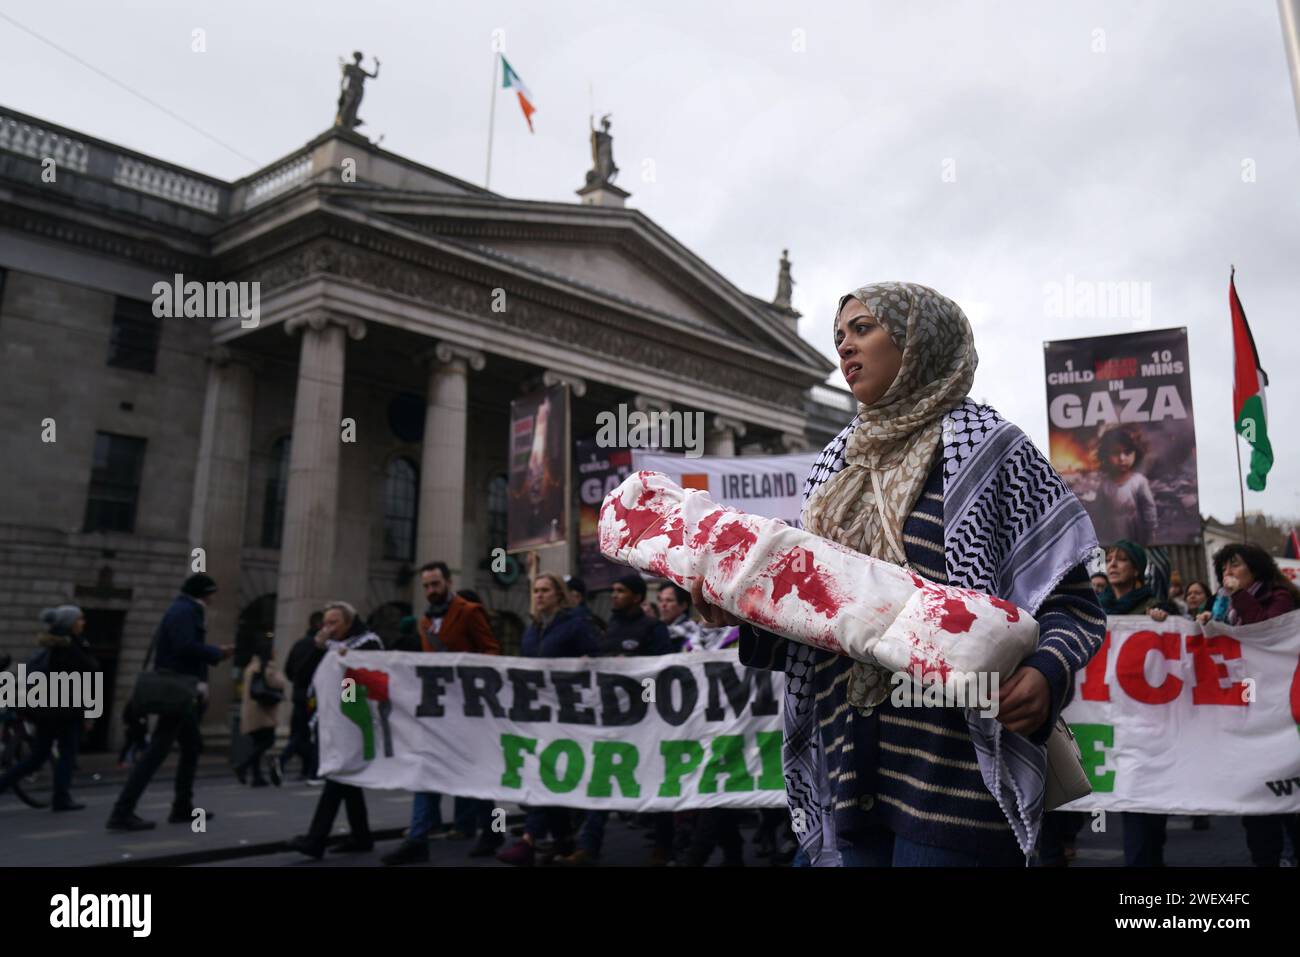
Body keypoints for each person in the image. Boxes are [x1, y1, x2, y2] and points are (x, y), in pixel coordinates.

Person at [702, 282, 1105, 867]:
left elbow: (1072, 606)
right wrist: (743, 613)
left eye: (863, 329)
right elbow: (819, 619)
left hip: (955, 780)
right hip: (849, 773)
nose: (845, 347)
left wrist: (1046, 673)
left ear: (920, 341)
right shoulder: (831, 468)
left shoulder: (991, 450)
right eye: (839, 336)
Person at [383, 561, 502, 866]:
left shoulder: (469, 611)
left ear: (448, 582)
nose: (430, 591)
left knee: (472, 774)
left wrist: (465, 669)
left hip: (467, 708)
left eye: (435, 584)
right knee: (425, 772)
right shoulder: (425, 621)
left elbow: (492, 652)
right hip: (436, 711)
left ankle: (491, 830)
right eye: (426, 586)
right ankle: (417, 839)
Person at [559, 574, 674, 866]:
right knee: (600, 779)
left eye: (620, 591)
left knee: (655, 782)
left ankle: (663, 847)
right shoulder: (609, 628)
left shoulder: (654, 629)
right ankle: (588, 846)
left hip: (646, 722)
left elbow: (667, 669)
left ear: (636, 596)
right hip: (611, 718)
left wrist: (633, 666)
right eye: (613, 590)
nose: (614, 595)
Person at [107, 575, 234, 831]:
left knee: (191, 746)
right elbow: (184, 646)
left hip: (182, 691)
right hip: (176, 692)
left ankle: (182, 807)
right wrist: (217, 653)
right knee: (157, 752)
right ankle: (122, 811)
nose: (213, 598)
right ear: (203, 593)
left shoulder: (185, 610)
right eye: (212, 592)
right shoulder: (185, 611)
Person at [1204, 544, 1300, 866]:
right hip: (1247, 699)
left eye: (1235, 565)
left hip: (1277, 705)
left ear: (1255, 569)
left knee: (1285, 792)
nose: (1227, 573)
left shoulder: (1279, 598)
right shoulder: (1222, 605)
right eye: (1223, 568)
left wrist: (1238, 597)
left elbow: (1264, 633)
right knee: (1256, 799)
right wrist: (1205, 623)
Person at [497, 574, 601, 866]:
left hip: (570, 714)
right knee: (546, 775)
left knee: (548, 775)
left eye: (545, 590)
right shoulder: (532, 630)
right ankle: (563, 840)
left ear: (559, 595)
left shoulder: (575, 625)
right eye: (536, 590)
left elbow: (599, 658)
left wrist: (581, 666)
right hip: (540, 715)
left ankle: (530, 840)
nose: (539, 595)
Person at [287, 601, 385, 859]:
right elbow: (301, 676)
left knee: (339, 775)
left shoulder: (367, 643)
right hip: (334, 721)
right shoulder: (326, 647)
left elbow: (370, 677)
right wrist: (318, 649)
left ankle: (315, 839)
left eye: (334, 623)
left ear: (349, 623)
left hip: (356, 721)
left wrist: (346, 662)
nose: (328, 629)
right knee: (346, 779)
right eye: (325, 623)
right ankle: (361, 836)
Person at [0, 605, 98, 811]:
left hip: (46, 711)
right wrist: (89, 713)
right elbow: (87, 678)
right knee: (67, 755)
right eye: (79, 619)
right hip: (65, 711)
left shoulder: (51, 646)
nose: (83, 622)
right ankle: (61, 799)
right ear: (70, 624)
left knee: (37, 758)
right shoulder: (70, 648)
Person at [1092, 424, 1157, 545]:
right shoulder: (1105, 486)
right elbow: (1097, 513)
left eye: (1127, 452)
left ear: (1135, 453)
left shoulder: (1139, 482)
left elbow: (1149, 508)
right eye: (1116, 453)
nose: (1122, 458)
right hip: (1112, 535)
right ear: (1106, 456)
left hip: (1135, 532)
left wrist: (1151, 531)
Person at [235, 637, 286, 787]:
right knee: (267, 741)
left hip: (252, 712)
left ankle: (256, 777)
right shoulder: (267, 667)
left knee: (257, 743)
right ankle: (243, 766)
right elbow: (279, 683)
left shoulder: (251, 667)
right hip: (263, 711)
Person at [279, 610, 323, 781]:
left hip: (299, 695)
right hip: (314, 697)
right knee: (313, 732)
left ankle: (303, 768)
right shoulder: (321, 647)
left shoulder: (299, 644)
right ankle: (307, 768)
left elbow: (289, 671)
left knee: (300, 732)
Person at [1096, 541, 1159, 616]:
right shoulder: (1095, 605)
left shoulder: (1152, 607)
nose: (1112, 564)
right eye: (1108, 560)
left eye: (1122, 559)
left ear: (1136, 570)